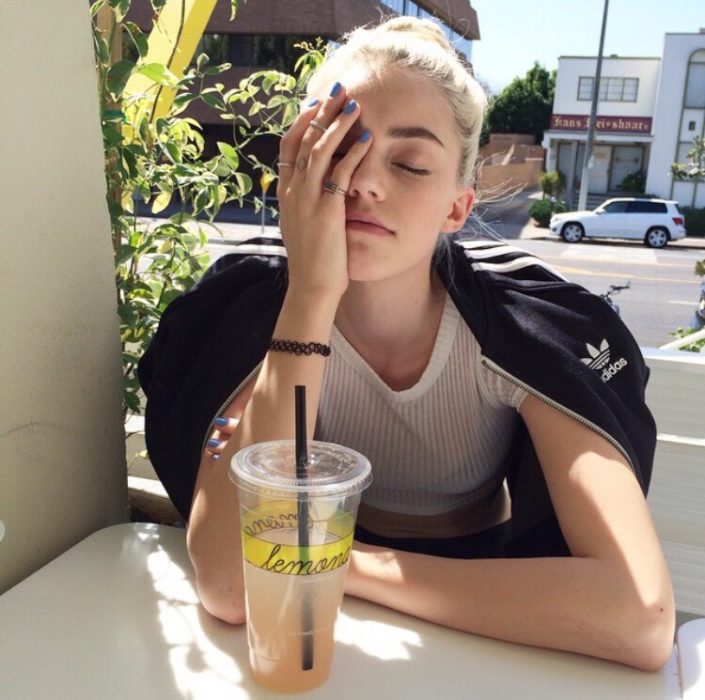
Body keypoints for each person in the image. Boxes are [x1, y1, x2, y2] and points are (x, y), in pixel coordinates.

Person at [137, 17, 674, 670]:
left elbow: (638, 614)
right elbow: (227, 581)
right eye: (339, 152)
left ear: (456, 206)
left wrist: (329, 557)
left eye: (410, 163)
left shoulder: (523, 327)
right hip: (320, 631)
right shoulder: (251, 307)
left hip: (486, 605)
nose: (362, 183)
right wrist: (309, 296)